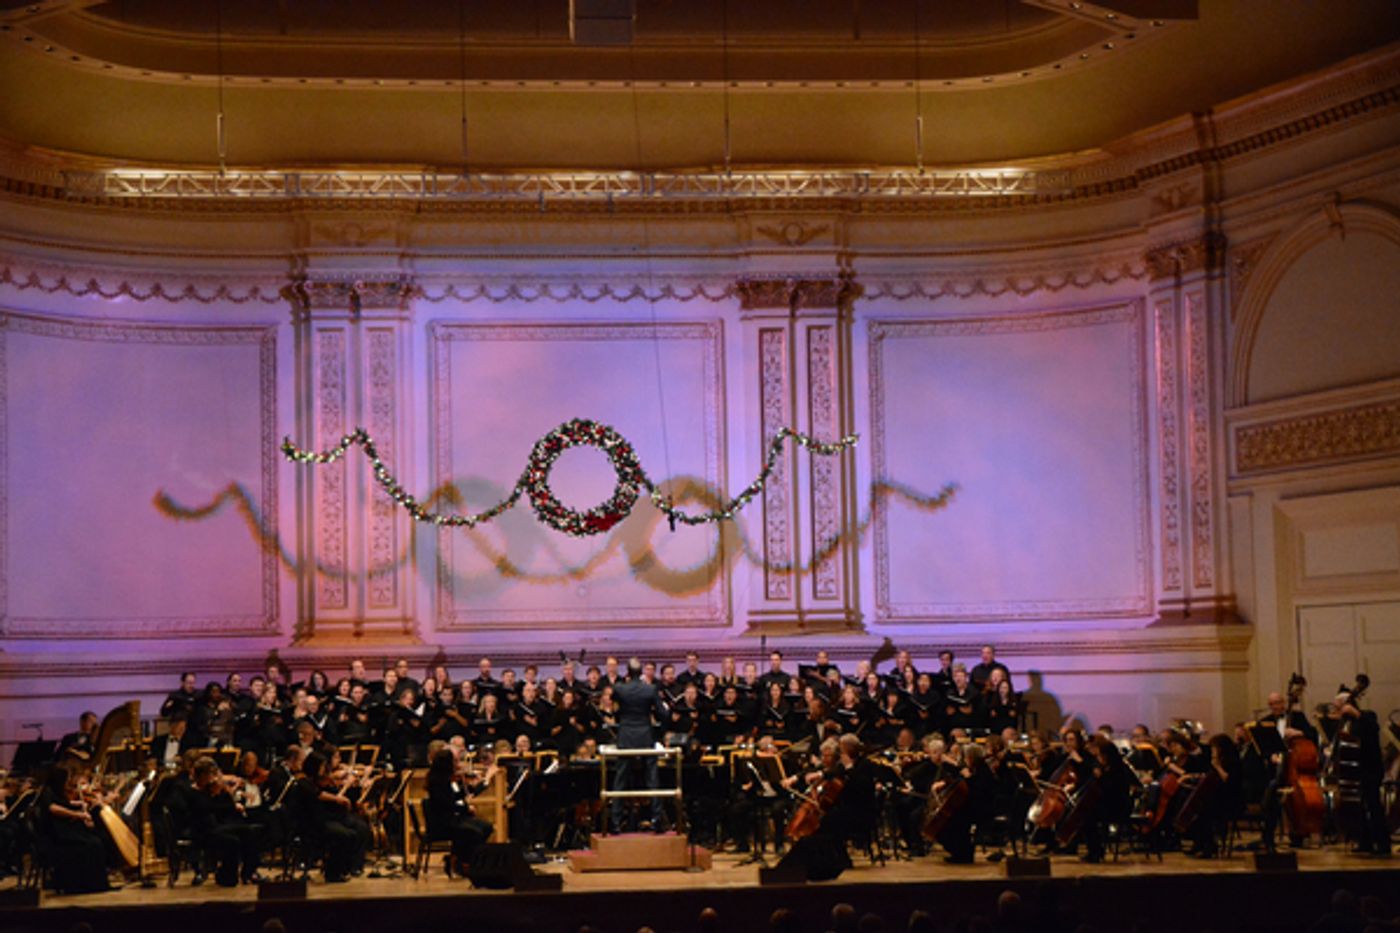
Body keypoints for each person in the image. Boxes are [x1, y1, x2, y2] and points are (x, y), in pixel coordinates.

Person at [610, 657, 666, 832]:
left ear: (627, 672)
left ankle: (615, 822)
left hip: (626, 735)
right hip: (645, 735)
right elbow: (663, 714)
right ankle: (657, 819)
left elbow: (615, 710)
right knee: (652, 778)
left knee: (620, 779)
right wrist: (657, 726)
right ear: (641, 672)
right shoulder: (650, 690)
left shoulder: (619, 688)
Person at [35, 766, 110, 894]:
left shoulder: (54, 791)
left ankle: (94, 883)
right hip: (55, 834)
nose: (68, 781)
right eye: (66, 778)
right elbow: (53, 808)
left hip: (63, 830)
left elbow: (62, 803)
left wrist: (78, 804)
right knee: (92, 844)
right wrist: (77, 815)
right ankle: (84, 884)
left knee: (96, 840)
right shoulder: (46, 792)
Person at [424, 748, 495, 874]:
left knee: (486, 827)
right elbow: (447, 805)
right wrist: (466, 808)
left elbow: (453, 798)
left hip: (450, 818)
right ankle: (464, 862)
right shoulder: (437, 782)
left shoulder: (444, 780)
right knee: (475, 832)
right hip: (442, 823)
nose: (456, 765)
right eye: (453, 762)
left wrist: (473, 787)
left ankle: (460, 858)